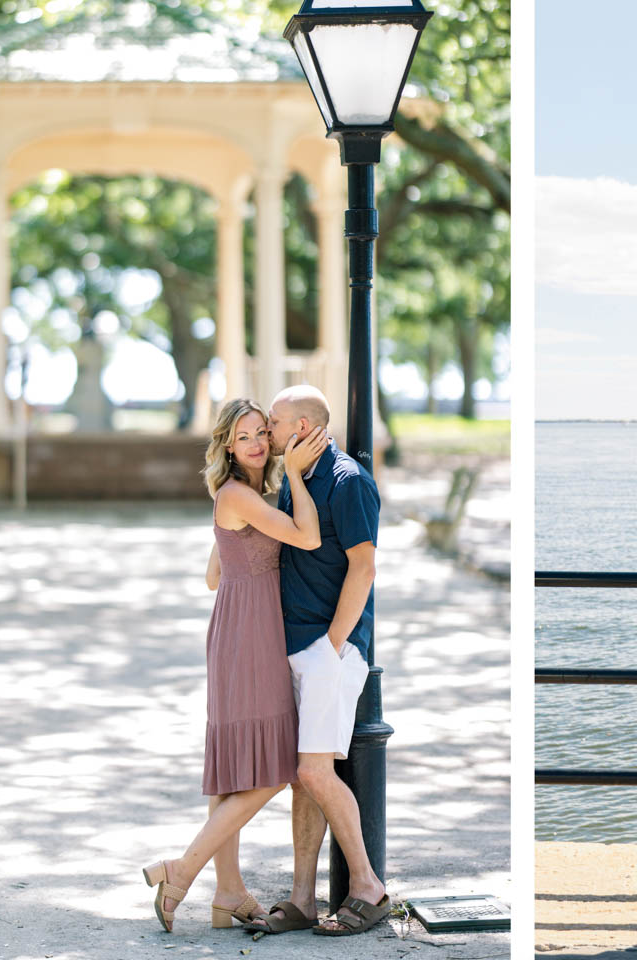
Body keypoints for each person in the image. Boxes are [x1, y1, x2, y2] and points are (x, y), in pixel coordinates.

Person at [141, 398, 328, 934]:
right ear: (226, 444)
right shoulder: (239, 494)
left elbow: (212, 575)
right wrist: (294, 473)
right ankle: (182, 870)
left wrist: (248, 555)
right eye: (244, 436)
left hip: (238, 626)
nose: (256, 443)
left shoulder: (239, 497)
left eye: (262, 434)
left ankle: (228, 892)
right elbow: (309, 537)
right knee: (275, 767)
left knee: (235, 769)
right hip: (250, 636)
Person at [240, 385, 387, 938]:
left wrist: (333, 645)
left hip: (330, 650)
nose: (268, 432)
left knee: (312, 771)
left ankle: (368, 887)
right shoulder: (294, 481)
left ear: (301, 426)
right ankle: (302, 898)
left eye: (274, 422)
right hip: (297, 645)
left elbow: (364, 568)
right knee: (305, 779)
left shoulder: (350, 482)